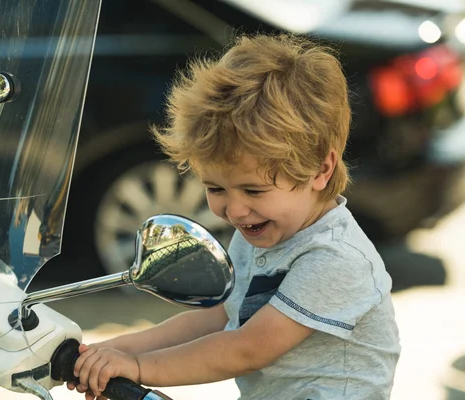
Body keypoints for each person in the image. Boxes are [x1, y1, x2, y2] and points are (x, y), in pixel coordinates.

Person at [67, 33, 401, 400]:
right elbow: (218, 316)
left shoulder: (335, 259)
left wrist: (141, 369)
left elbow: (247, 348)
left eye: (254, 190)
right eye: (216, 189)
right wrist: (116, 351)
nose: (235, 210)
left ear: (320, 170)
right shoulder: (259, 232)